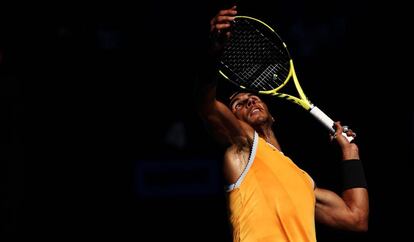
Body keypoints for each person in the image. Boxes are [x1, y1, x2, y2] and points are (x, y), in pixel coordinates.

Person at [195, 5, 369, 242]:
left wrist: (350, 152)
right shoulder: (244, 148)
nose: (249, 100)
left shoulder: (304, 182)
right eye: (238, 104)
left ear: (273, 116)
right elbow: (207, 105)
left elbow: (356, 218)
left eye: (253, 97)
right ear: (232, 121)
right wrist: (215, 50)